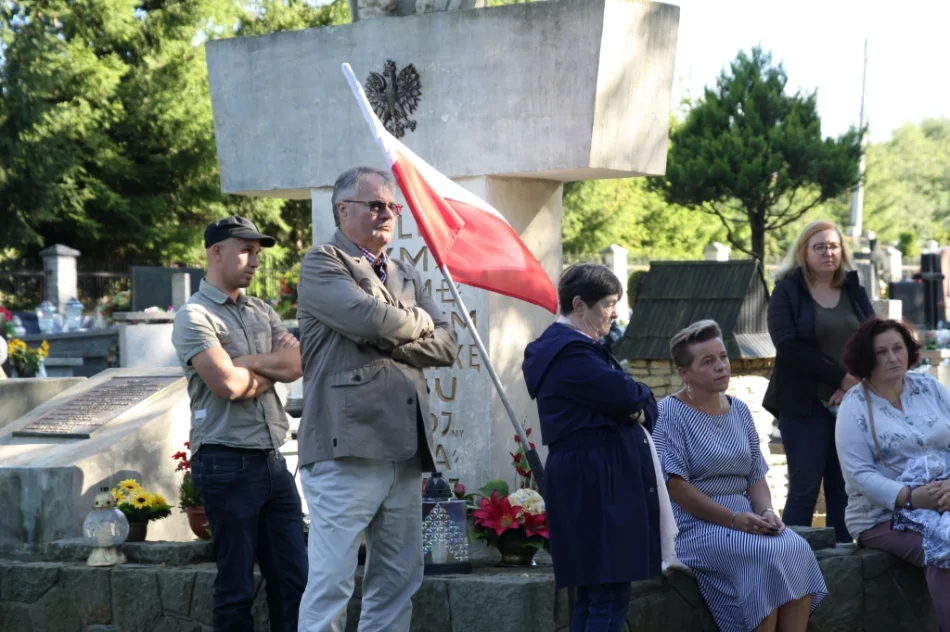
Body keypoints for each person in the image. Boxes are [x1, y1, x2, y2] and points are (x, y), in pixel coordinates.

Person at [296, 166, 457, 632]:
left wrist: (391, 335)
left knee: (398, 580)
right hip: (345, 447)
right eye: (375, 205)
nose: (387, 213)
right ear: (343, 209)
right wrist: (413, 322)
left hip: (403, 449)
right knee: (331, 584)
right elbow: (366, 319)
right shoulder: (323, 262)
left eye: (393, 206)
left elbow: (447, 345)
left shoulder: (404, 271)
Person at [172, 215, 307, 632]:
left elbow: (297, 363)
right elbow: (227, 385)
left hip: (272, 461)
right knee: (236, 590)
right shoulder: (195, 316)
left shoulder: (261, 310)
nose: (256, 261)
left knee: (295, 582)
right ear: (217, 252)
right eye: (247, 251)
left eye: (258, 253)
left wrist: (245, 362)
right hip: (226, 462)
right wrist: (270, 369)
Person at [654, 320, 827, 632]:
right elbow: (675, 487)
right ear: (684, 373)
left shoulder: (740, 410)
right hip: (695, 525)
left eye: (723, 356)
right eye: (708, 361)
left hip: (746, 518)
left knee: (797, 549)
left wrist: (766, 511)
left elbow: (756, 475)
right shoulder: (668, 413)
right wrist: (733, 519)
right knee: (762, 556)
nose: (721, 366)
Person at [522, 263, 663, 632]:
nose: (614, 313)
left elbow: (635, 402)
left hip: (590, 475)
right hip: (598, 480)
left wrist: (637, 404)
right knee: (608, 595)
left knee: (593, 594)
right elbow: (629, 395)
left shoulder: (572, 350)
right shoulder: (570, 352)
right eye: (609, 304)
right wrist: (638, 401)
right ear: (579, 305)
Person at [763, 220, 874, 542]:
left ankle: (844, 559)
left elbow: (873, 337)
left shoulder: (853, 289)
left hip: (850, 403)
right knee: (805, 488)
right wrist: (841, 378)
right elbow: (788, 346)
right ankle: (790, 558)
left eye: (834, 246)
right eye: (820, 247)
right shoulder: (787, 291)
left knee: (843, 489)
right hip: (803, 404)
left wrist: (853, 382)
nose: (828, 252)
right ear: (804, 252)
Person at [836, 317, 950, 629]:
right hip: (883, 515)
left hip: (944, 498)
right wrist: (910, 497)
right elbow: (858, 474)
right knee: (945, 545)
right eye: (881, 352)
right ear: (866, 358)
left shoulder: (930, 388)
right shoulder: (854, 406)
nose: (892, 358)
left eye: (898, 348)